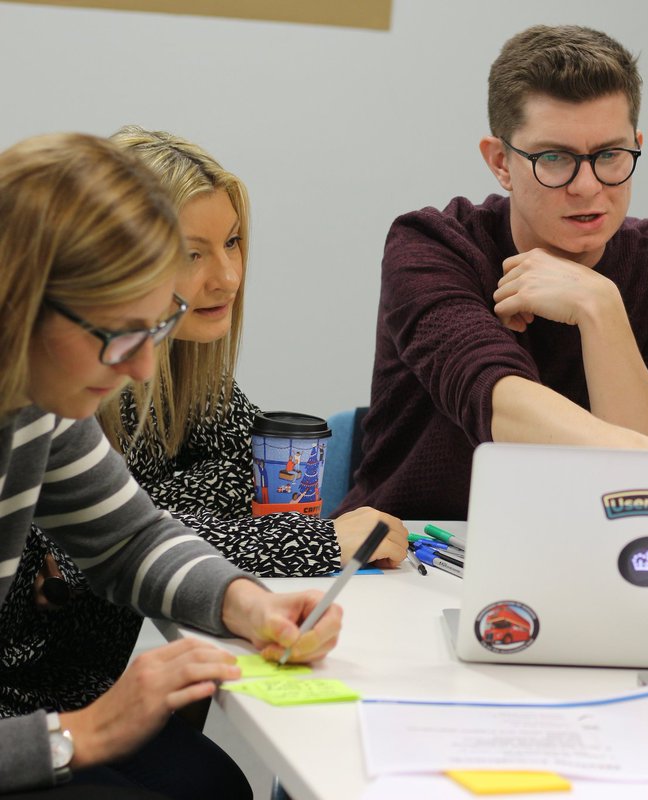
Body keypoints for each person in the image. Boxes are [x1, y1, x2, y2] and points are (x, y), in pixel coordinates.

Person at [0, 127, 407, 727]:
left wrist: (244, 604)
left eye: (154, 329)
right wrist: (78, 738)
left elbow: (129, 537)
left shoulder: (45, 399)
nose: (140, 366)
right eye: (120, 335)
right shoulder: (63, 387)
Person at [337, 24, 648, 520]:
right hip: (410, 554)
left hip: (595, 556)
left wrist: (599, 309)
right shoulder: (430, 245)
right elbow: (497, 400)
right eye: (554, 158)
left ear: (636, 145)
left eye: (610, 155)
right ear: (500, 162)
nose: (587, 186)